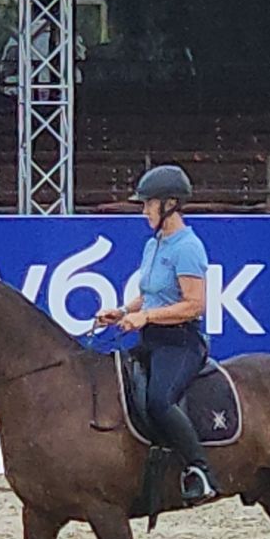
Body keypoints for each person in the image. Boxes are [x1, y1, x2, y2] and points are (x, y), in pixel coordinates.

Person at [96, 164, 223, 504]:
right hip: (152, 339)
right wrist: (123, 311)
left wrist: (146, 316)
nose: (144, 211)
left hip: (180, 342)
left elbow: (195, 305)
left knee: (159, 400)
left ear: (169, 204)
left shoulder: (187, 247)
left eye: (148, 204)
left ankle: (200, 472)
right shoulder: (154, 245)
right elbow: (150, 293)